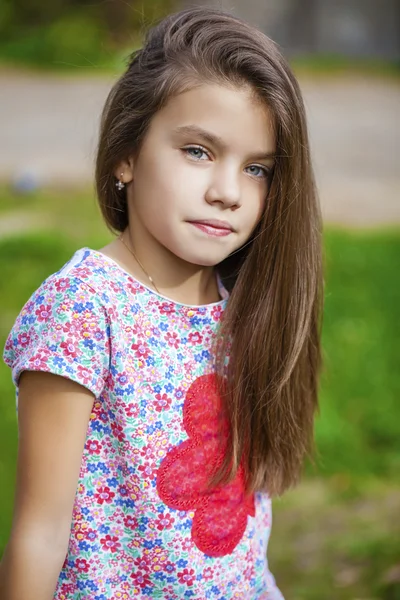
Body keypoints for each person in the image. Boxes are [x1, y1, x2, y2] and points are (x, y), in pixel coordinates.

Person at [0, 6, 323, 600]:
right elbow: (40, 532)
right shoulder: (85, 307)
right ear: (126, 154)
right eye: (198, 151)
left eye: (256, 169)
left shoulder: (241, 304)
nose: (227, 192)